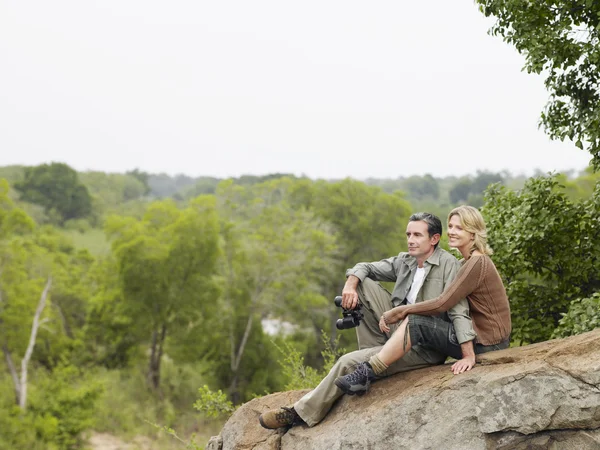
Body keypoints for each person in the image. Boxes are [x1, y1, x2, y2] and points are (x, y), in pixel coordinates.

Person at [259, 212, 477, 429]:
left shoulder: (449, 265)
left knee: (346, 362)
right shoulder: (406, 261)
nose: (411, 240)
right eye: (408, 234)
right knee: (363, 283)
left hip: (421, 345)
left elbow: (459, 311)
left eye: (417, 235)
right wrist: (350, 285)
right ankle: (371, 361)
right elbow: (364, 267)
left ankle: (299, 413)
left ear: (434, 239)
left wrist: (468, 354)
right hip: (395, 332)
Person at [335, 205, 511, 397]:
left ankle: (368, 371)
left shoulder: (478, 262)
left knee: (415, 320)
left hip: (489, 343)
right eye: (450, 226)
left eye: (459, 228)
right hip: (479, 338)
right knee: (414, 318)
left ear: (473, 233)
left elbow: (445, 303)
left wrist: (402, 311)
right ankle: (375, 363)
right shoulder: (464, 263)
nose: (451, 232)